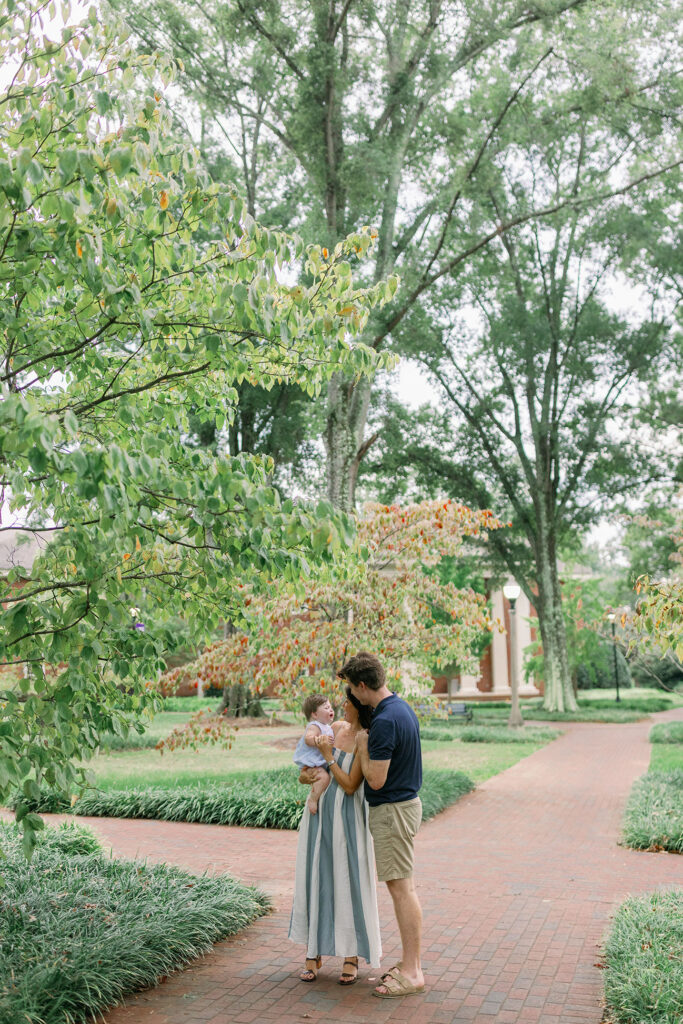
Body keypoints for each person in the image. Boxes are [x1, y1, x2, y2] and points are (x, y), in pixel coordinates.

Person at [338, 651, 425, 999]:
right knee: (402, 887)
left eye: (352, 690)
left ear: (362, 685)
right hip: (401, 808)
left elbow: (375, 779)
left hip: (392, 811)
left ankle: (412, 971)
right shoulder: (400, 708)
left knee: (402, 888)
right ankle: (410, 965)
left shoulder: (386, 721)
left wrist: (361, 744)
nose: (352, 698)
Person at [288, 687, 382, 985]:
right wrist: (308, 775)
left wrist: (328, 758)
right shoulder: (333, 729)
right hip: (319, 818)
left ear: (359, 706)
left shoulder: (364, 737)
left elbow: (351, 785)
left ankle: (351, 955)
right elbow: (304, 773)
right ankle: (313, 952)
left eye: (347, 702)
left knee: (347, 881)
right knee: (319, 879)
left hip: (348, 821)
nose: (341, 707)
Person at [292, 694, 334, 814]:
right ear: (314, 714)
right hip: (311, 765)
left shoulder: (327, 727)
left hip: (318, 764)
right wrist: (317, 740)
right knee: (324, 778)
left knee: (323, 778)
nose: (330, 710)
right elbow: (308, 738)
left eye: (330, 707)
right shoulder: (315, 726)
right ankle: (313, 799)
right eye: (326, 708)